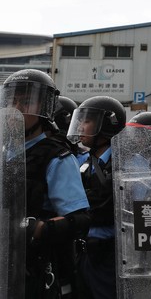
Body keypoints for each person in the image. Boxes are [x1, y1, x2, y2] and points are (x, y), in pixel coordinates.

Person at [1, 69, 91, 299]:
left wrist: (39, 228)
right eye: (12, 100)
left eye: (26, 101)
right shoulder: (5, 153)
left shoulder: (56, 157)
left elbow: (79, 219)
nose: (16, 109)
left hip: (34, 270)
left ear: (44, 109)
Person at [67, 96, 126, 299]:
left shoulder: (128, 162)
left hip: (110, 254)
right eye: (80, 120)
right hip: (84, 250)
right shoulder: (87, 161)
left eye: (87, 121)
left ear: (107, 123)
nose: (81, 127)